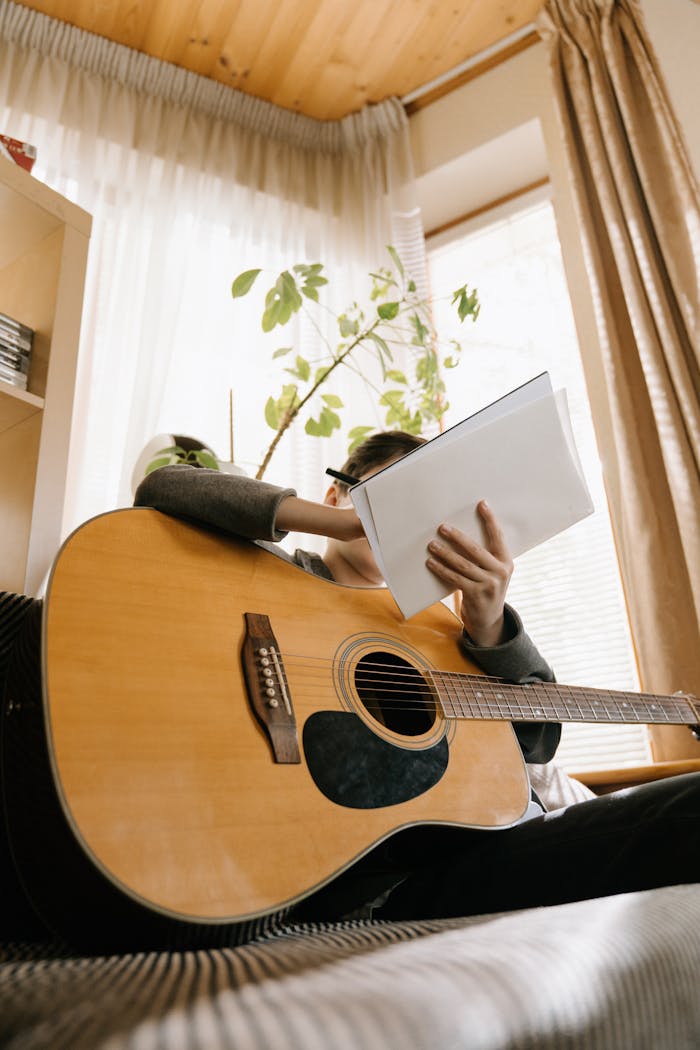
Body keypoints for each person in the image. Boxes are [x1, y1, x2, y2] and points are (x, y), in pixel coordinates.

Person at [132, 430, 700, 922]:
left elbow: (540, 738)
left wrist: (490, 625)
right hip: (357, 874)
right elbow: (164, 488)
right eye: (389, 500)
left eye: (426, 517)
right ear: (337, 494)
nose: (407, 528)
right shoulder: (276, 575)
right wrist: (346, 523)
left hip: (452, 858)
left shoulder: (436, 627)